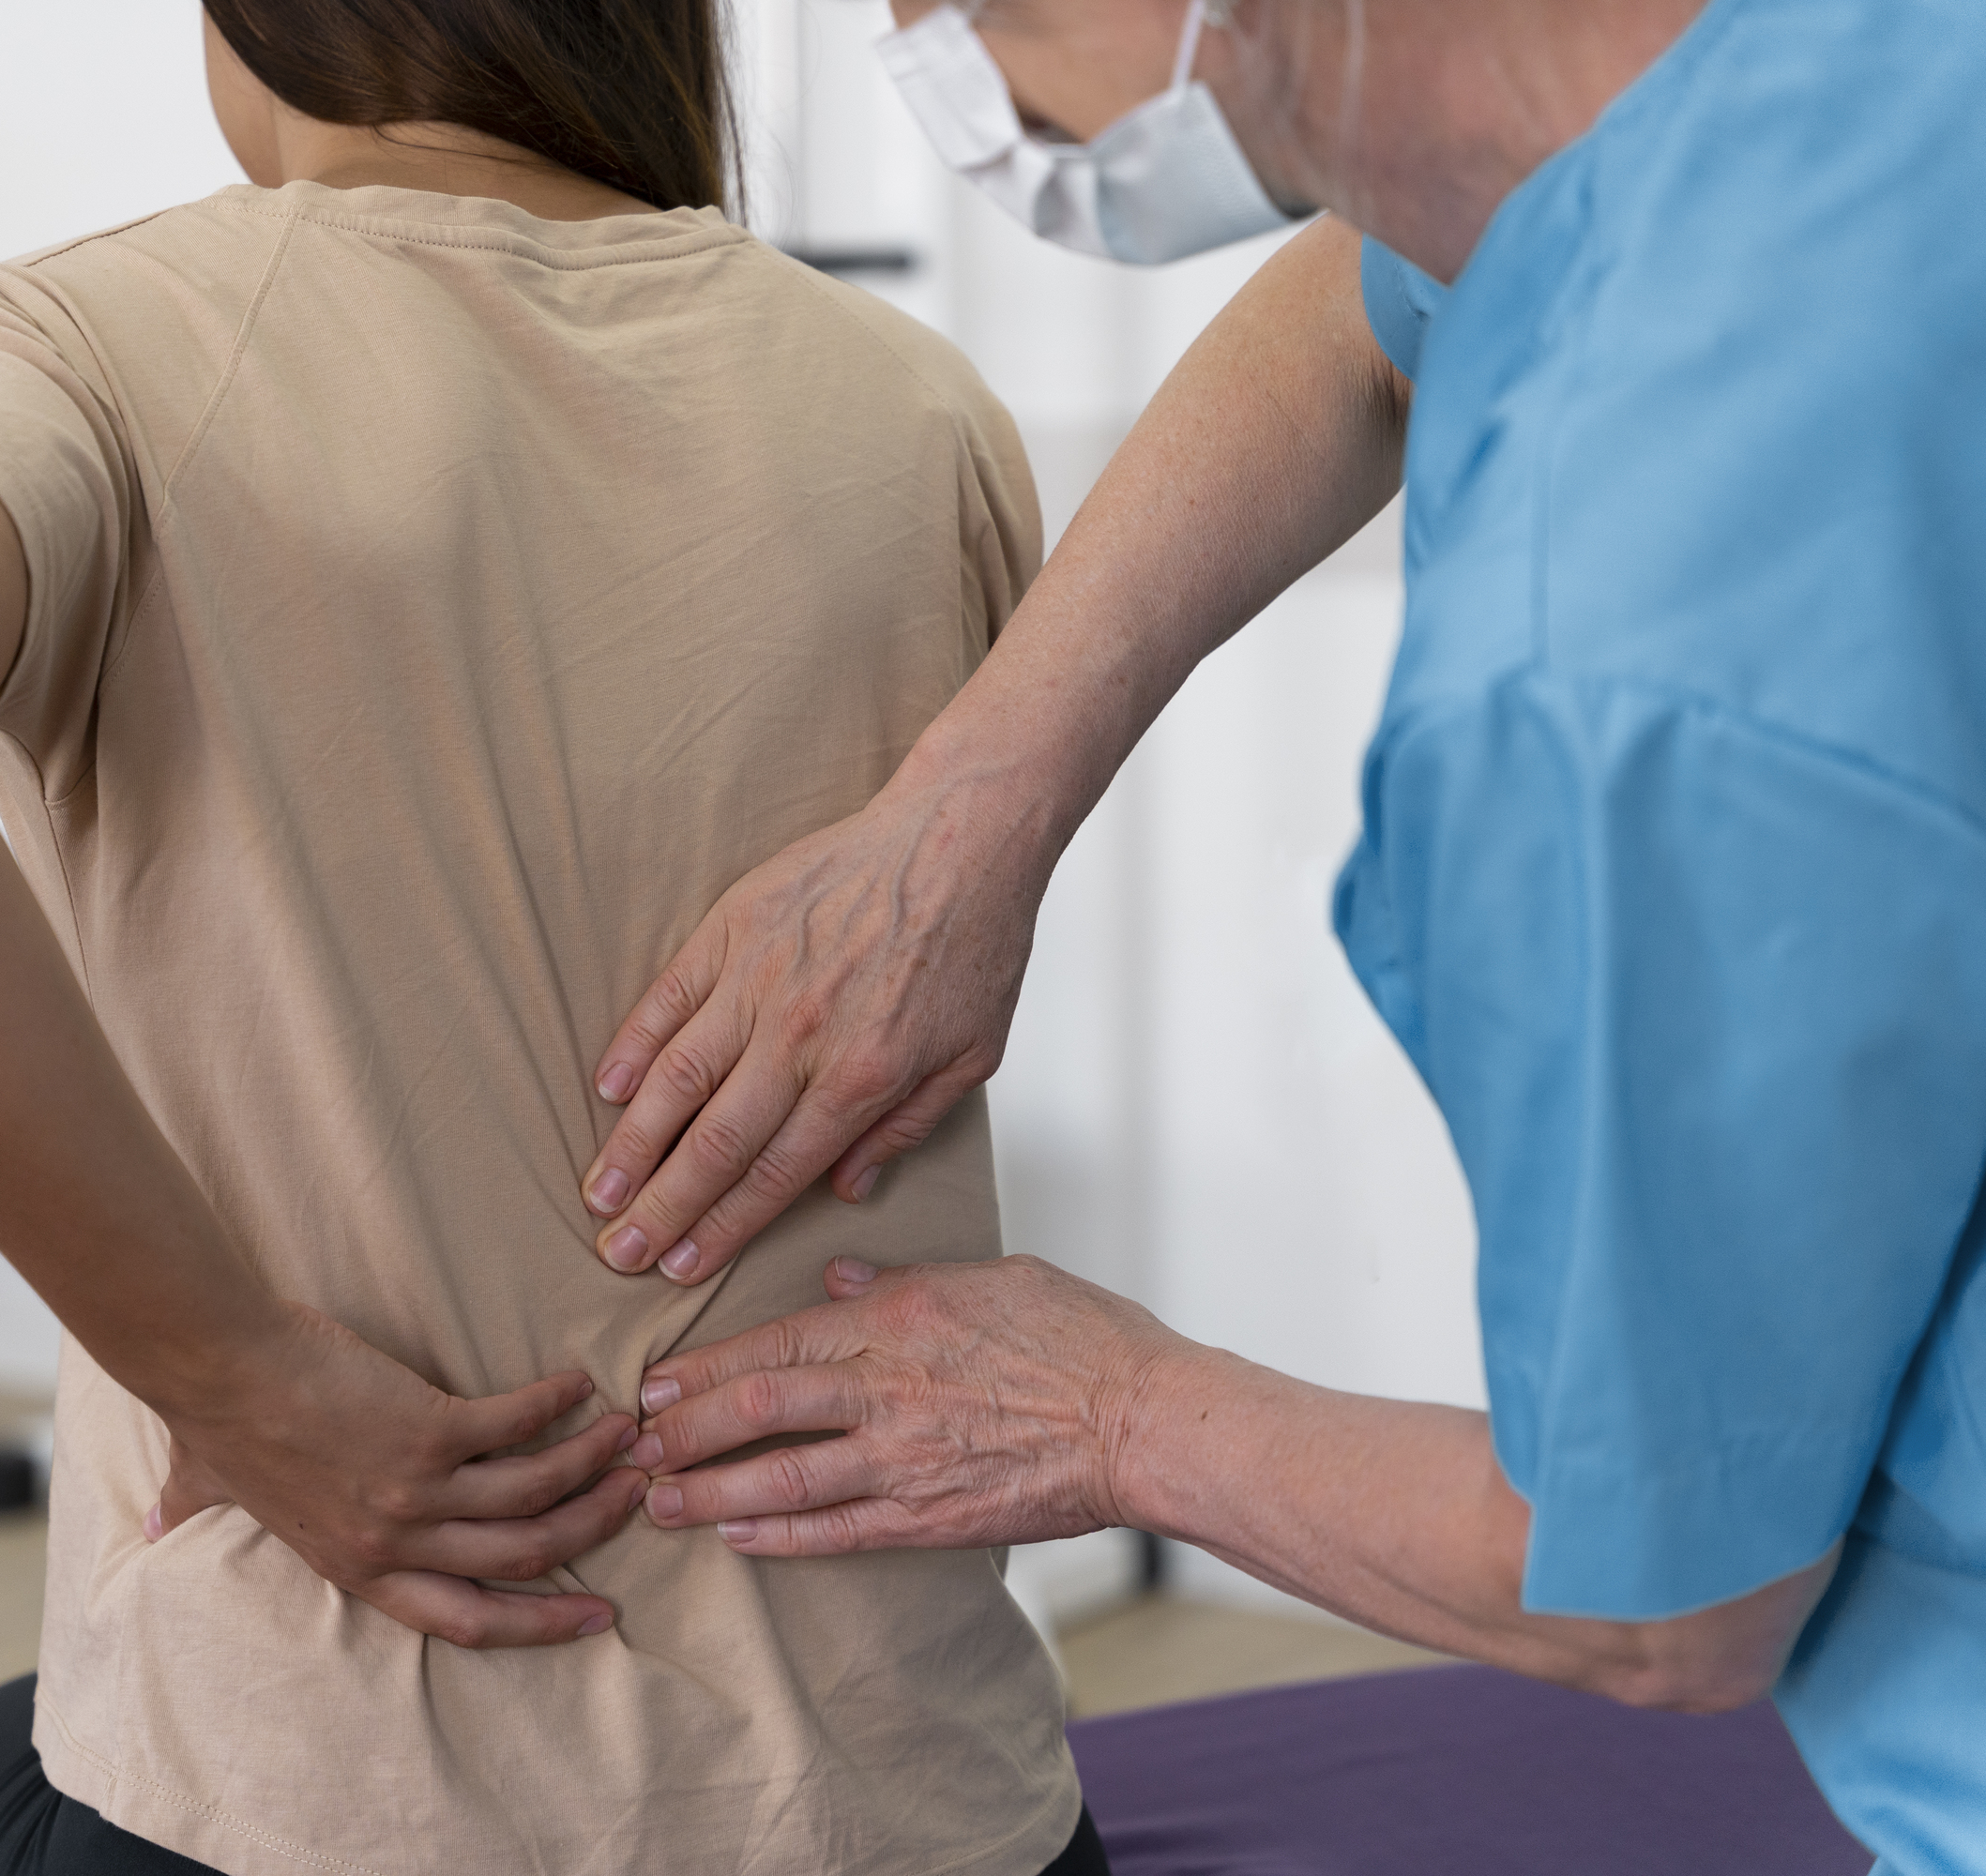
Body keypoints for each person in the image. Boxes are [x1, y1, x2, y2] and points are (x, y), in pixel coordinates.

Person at [0, 0, 1109, 1869]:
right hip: (924, 1806)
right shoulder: (924, 407)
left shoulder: (79, 345)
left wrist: (233, 1379)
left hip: (327, 1804)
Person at [584, 0, 1986, 1869]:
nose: (946, 73)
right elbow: (1377, 293)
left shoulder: (1616, 669)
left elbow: (1668, 1604)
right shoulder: (1833, 70)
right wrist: (977, 796)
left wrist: (1109, 1415)